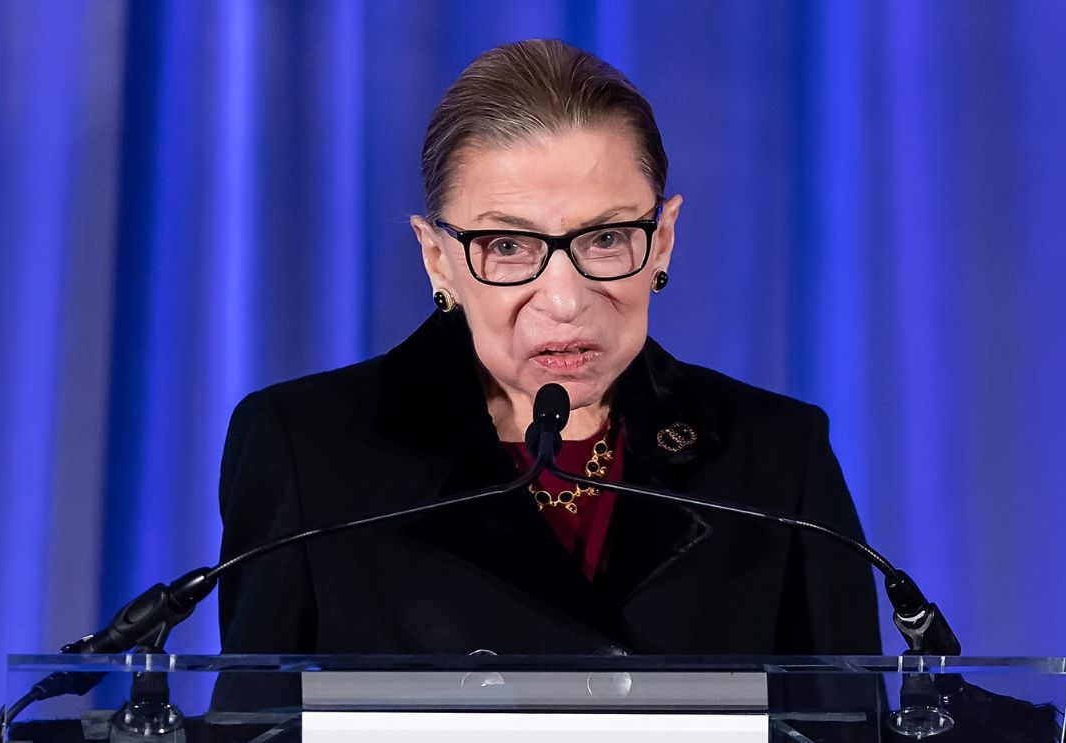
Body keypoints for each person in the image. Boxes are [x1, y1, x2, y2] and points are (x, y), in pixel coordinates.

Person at [218, 39, 880, 658]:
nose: (563, 299)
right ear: (437, 258)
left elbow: (846, 719)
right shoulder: (305, 450)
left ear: (663, 238)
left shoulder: (774, 455)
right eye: (507, 246)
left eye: (605, 239)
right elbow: (256, 720)